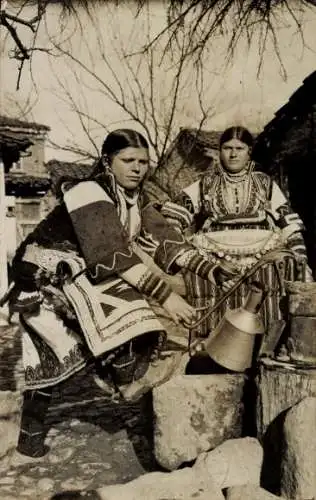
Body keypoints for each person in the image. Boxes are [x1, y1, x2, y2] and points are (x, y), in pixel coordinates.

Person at [5, 128, 239, 459]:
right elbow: (111, 256)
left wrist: (212, 270)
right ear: (106, 162)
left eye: (143, 162)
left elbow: (166, 239)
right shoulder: (87, 191)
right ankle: (121, 379)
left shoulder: (137, 199)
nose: (137, 168)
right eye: (128, 160)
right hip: (45, 272)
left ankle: (121, 380)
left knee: (52, 356)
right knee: (59, 352)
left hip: (83, 272)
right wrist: (167, 297)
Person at [160, 125, 312, 338]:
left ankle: (267, 344)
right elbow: (174, 214)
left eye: (239, 148)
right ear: (219, 151)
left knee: (275, 273)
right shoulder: (206, 183)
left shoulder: (265, 183)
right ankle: (211, 345)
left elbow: (288, 222)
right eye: (227, 147)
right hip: (215, 252)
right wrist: (176, 237)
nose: (233, 153)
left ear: (249, 151)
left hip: (262, 250)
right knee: (205, 277)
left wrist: (299, 252)